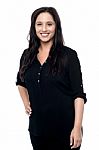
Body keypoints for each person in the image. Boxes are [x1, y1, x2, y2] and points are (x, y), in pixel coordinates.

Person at [16, 6, 87, 150]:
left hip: (66, 132)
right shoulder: (27, 55)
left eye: (49, 24)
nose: (44, 29)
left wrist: (77, 127)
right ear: (33, 27)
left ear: (56, 27)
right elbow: (20, 82)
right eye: (39, 24)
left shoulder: (69, 56)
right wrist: (26, 102)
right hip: (37, 131)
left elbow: (78, 95)